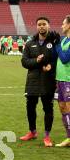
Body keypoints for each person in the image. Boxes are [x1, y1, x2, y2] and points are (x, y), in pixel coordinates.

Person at [20, 17, 60, 147]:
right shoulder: (30, 43)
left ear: (48, 25)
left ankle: (47, 136)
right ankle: (32, 132)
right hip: (32, 80)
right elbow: (24, 62)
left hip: (48, 80)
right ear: (36, 26)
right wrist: (36, 61)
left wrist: (51, 66)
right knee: (30, 107)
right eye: (39, 24)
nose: (41, 26)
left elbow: (58, 59)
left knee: (48, 108)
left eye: (44, 24)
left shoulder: (54, 42)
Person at [55, 15, 70, 147]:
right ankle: (68, 137)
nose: (62, 25)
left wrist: (57, 45)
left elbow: (65, 58)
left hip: (68, 80)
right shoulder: (65, 39)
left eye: (64, 23)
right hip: (60, 79)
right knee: (62, 108)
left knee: (69, 108)